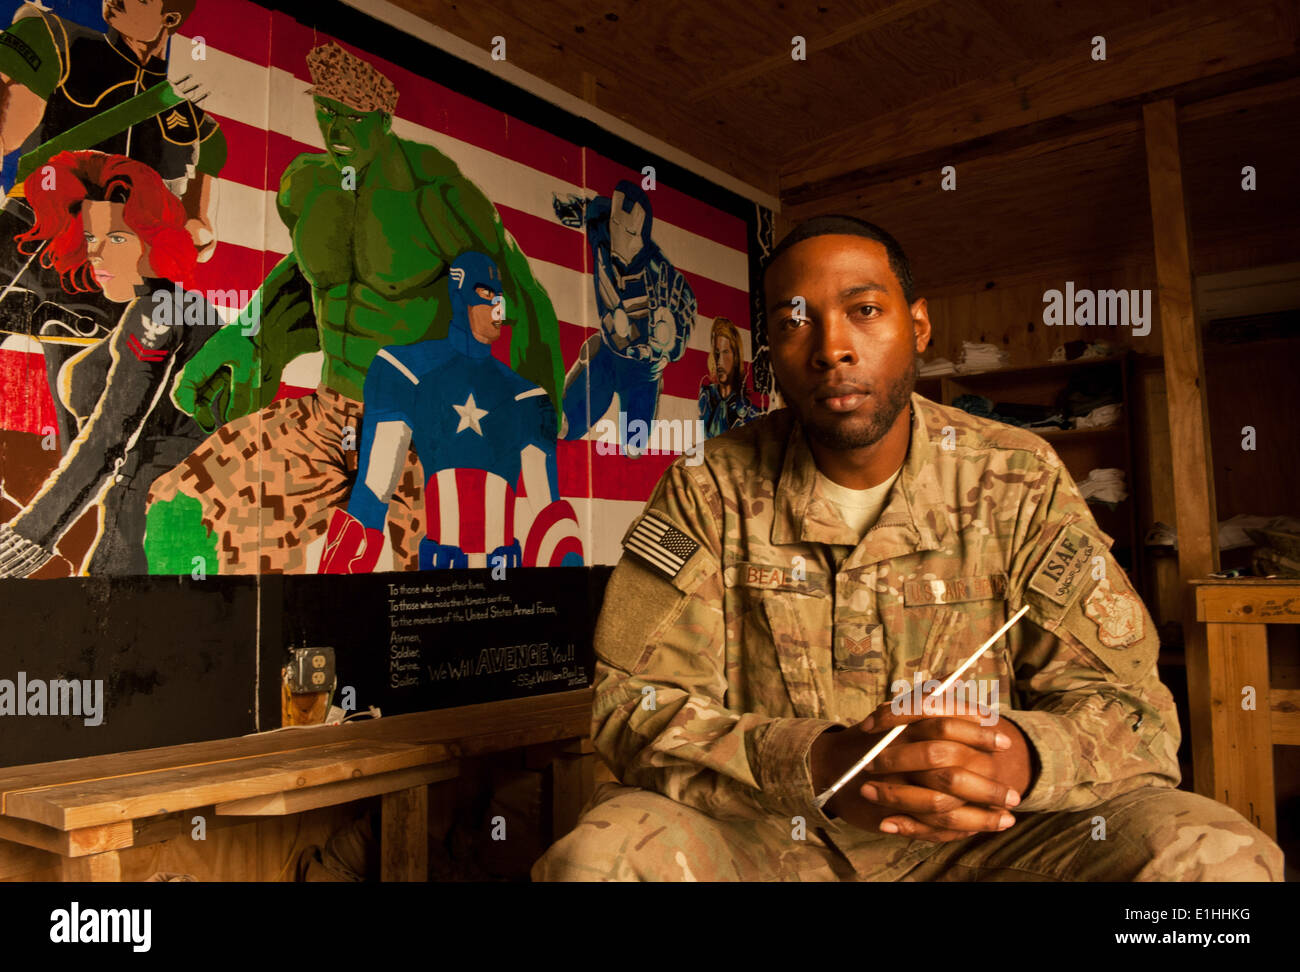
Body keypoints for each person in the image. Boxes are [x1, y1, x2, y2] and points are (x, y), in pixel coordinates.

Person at [532, 215, 1285, 881]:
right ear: (771, 349)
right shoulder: (708, 488)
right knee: (600, 862)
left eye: (864, 311)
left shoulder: (1014, 476)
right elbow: (633, 707)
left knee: (1213, 863)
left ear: (918, 326)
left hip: (988, 845)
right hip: (769, 839)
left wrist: (1021, 758)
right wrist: (820, 765)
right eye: (796, 322)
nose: (833, 348)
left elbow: (1136, 712)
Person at [146, 42, 563, 574]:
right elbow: (309, 271)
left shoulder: (435, 190)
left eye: (353, 118)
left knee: (439, 600)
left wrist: (537, 416)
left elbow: (516, 290)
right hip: (329, 415)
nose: (336, 130)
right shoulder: (306, 184)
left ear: (383, 118)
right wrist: (251, 336)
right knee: (186, 510)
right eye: (326, 112)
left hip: (429, 432)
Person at [0, 150, 215, 576]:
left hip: (151, 523)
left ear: (155, 239)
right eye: (91, 238)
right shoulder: (179, 309)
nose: (96, 254)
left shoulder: (159, 312)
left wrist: (28, 536)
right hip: (150, 517)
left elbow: (108, 438)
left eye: (116, 238)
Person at [318, 251, 582, 573]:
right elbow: (374, 490)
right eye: (486, 294)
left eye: (500, 297)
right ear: (460, 295)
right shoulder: (405, 370)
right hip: (441, 584)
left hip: (504, 585)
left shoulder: (527, 396)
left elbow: (549, 516)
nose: (498, 306)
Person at [553, 181, 696, 454]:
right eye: (617, 226)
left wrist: (669, 345)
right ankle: (592, 356)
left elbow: (687, 307)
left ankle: (649, 391)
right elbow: (595, 209)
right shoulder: (602, 229)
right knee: (566, 426)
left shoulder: (661, 274)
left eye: (629, 231)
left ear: (642, 233)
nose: (620, 236)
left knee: (634, 447)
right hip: (608, 355)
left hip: (643, 372)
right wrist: (576, 209)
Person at [698, 316, 761, 438]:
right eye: (717, 353)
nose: (720, 362)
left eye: (726, 352)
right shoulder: (705, 399)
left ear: (736, 356)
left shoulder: (751, 414)